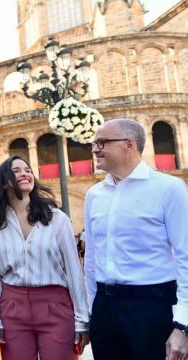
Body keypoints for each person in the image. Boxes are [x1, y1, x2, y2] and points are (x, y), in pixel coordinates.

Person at [84, 118, 188, 360]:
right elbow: (92, 257)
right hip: (105, 307)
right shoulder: (94, 195)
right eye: (94, 143)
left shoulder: (168, 188)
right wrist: (92, 310)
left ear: (129, 144)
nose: (95, 148)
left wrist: (183, 324)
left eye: (102, 142)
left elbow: (186, 256)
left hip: (152, 306)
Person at [0, 156, 89, 360]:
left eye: (28, 170)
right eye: (16, 171)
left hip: (56, 306)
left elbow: (74, 271)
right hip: (12, 308)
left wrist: (82, 319)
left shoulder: (57, 219)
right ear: (4, 181)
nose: (25, 173)